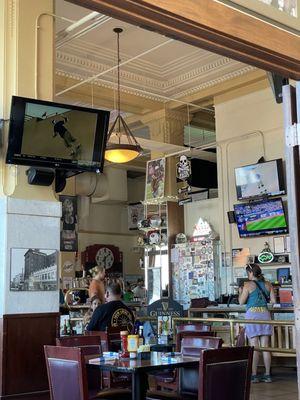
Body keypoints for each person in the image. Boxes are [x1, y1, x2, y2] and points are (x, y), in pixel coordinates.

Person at [239, 263, 276, 383]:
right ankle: (267, 374)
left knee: (254, 346)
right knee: (265, 346)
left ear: (250, 273)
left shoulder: (247, 285)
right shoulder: (268, 284)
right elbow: (274, 301)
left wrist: (240, 291)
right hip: (265, 314)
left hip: (252, 316)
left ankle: (254, 375)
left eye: (247, 273)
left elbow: (241, 302)